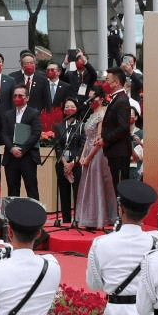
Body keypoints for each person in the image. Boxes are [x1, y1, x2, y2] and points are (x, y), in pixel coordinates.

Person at [87, 180, 158, 315]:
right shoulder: (157, 243)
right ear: (147, 213)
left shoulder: (101, 243)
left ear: (121, 209)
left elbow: (94, 284)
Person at [76, 88, 117, 230]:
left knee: (96, 184)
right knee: (87, 184)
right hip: (88, 150)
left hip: (98, 152)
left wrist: (89, 157)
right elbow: (88, 138)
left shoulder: (103, 114)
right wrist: (83, 156)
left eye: (93, 98)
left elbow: (99, 139)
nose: (90, 101)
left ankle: (99, 219)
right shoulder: (90, 113)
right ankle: (89, 218)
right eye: (89, 98)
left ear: (100, 98)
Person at [0, 85, 41, 201]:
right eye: (15, 96)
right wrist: (12, 149)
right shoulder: (7, 114)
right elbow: (4, 133)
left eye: (20, 96)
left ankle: (34, 217)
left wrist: (22, 149)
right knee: (12, 189)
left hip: (27, 156)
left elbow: (36, 133)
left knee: (31, 188)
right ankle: (13, 217)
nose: (17, 98)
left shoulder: (33, 113)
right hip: (10, 156)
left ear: (27, 98)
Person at [99, 68, 132, 193]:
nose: (105, 83)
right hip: (114, 151)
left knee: (119, 189)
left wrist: (105, 139)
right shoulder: (116, 98)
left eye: (108, 80)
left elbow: (123, 127)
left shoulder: (122, 100)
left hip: (120, 152)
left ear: (116, 82)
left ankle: (120, 212)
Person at [53, 98, 84, 225]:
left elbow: (82, 146)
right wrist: (65, 163)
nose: (69, 109)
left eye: (72, 106)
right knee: (64, 193)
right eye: (66, 107)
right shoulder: (59, 126)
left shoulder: (81, 126)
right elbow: (58, 146)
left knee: (77, 192)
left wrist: (72, 164)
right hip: (62, 164)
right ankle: (66, 220)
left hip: (76, 164)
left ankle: (77, 219)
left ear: (76, 109)